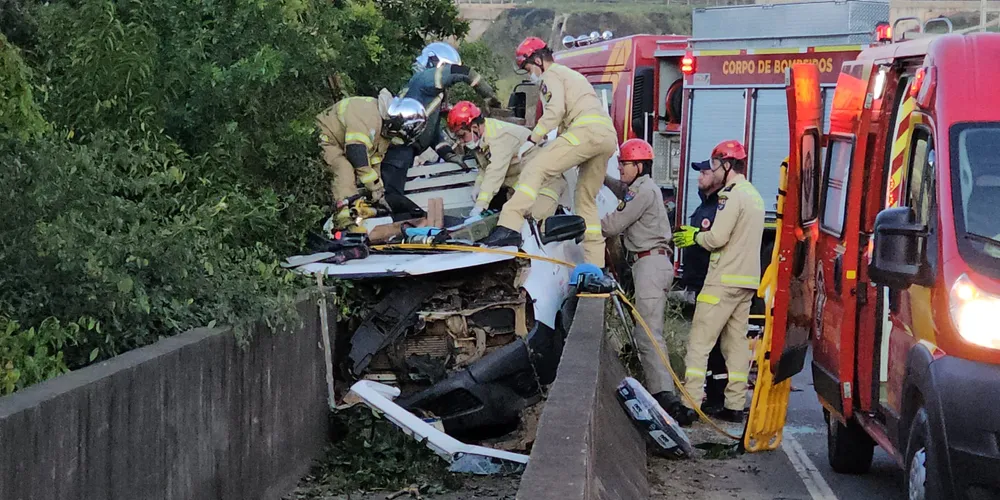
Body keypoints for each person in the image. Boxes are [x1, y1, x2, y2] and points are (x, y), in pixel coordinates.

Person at [481, 37, 617, 268]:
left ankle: (509, 226)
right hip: (607, 137)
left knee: (536, 167)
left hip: (585, 131)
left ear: (538, 60)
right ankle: (596, 266)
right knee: (585, 199)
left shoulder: (551, 75)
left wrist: (532, 139)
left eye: (528, 67)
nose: (529, 74)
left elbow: (555, 111)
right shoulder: (570, 76)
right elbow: (566, 119)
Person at [601, 139, 693, 426]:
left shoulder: (643, 191)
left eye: (624, 164)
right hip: (649, 264)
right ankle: (662, 392)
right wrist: (599, 176)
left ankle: (666, 397)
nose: (621, 168)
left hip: (650, 264)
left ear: (639, 166)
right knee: (648, 332)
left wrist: (584, 222)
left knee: (649, 334)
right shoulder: (642, 188)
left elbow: (613, 225)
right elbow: (622, 190)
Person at [672, 140, 764, 423]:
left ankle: (690, 404)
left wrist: (694, 236)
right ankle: (735, 405)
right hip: (746, 281)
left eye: (714, 164)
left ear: (727, 165)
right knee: (735, 346)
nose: (711, 169)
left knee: (700, 342)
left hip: (721, 280)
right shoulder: (755, 195)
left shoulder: (731, 196)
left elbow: (716, 238)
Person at [380, 42, 501, 197]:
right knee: (393, 198)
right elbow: (464, 73)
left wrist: (448, 154)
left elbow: (431, 132)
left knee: (397, 197)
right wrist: (489, 96)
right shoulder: (425, 78)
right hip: (398, 152)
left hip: (404, 152)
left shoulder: (429, 94)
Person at [315, 94, 428, 231]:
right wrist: (373, 187)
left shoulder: (384, 129)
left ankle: (355, 213)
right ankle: (344, 221)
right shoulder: (369, 115)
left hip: (342, 143)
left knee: (359, 179)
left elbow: (375, 160)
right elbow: (356, 153)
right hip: (325, 137)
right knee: (343, 168)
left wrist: (379, 192)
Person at [446, 100, 566, 219]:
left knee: (538, 222)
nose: (461, 141)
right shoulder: (482, 139)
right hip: (524, 185)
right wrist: (478, 185)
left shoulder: (500, 137)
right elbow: (484, 168)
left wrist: (480, 206)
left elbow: (495, 173)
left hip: (545, 183)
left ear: (474, 127)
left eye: (462, 136)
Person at [680, 160, 729, 416]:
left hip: (710, 282)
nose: (700, 176)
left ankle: (714, 397)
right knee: (711, 343)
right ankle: (714, 395)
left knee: (710, 342)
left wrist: (695, 237)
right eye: (699, 171)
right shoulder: (705, 204)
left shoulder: (719, 207)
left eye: (706, 172)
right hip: (700, 281)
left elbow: (716, 241)